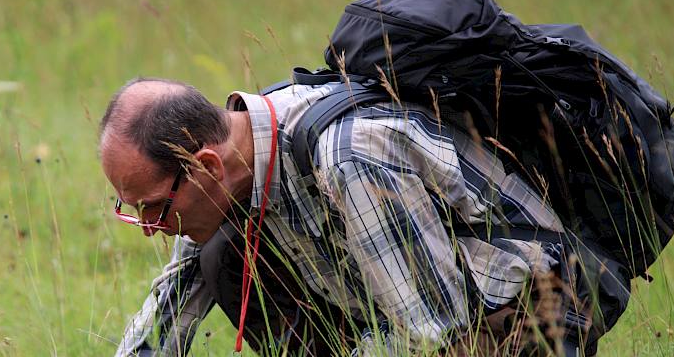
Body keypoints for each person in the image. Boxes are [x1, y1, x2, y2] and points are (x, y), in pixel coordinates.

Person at [99, 77, 629, 356]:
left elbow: (433, 337)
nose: (148, 228)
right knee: (220, 258)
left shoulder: (349, 160)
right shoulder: (230, 170)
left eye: (152, 209)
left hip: (526, 309)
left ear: (205, 164)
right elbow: (166, 314)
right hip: (426, 313)